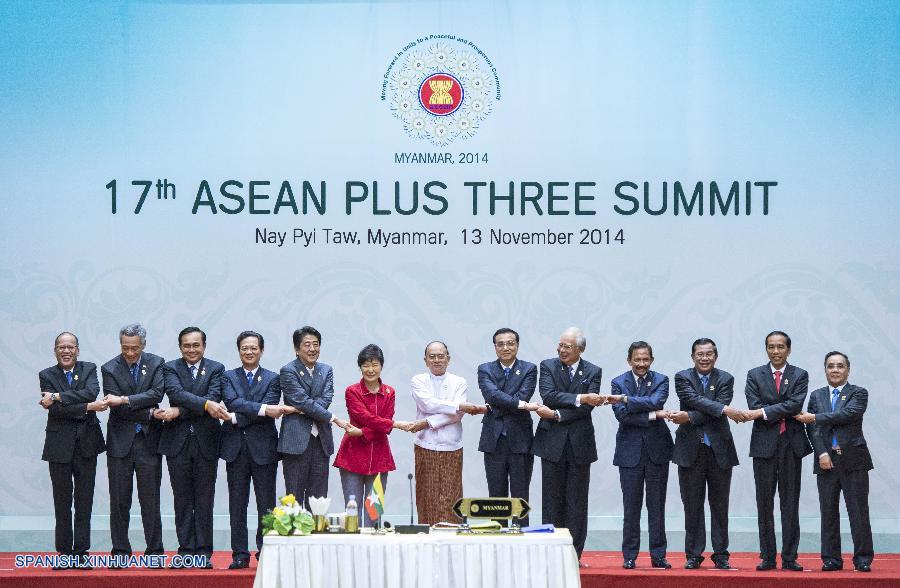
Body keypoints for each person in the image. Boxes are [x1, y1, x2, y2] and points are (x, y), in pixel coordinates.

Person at [532, 327, 608, 561]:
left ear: (580, 349)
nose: (561, 350)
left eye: (567, 346)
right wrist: (581, 397)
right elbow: (549, 395)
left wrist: (557, 414)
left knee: (577, 501)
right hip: (551, 443)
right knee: (551, 500)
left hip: (579, 443)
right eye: (560, 345)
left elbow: (587, 408)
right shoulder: (548, 366)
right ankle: (551, 553)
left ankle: (574, 554)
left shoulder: (593, 371)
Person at [795, 351, 874, 573]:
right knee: (828, 512)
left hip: (854, 460)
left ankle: (863, 559)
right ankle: (831, 559)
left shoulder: (858, 393)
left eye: (840, 366)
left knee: (858, 512)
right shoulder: (817, 395)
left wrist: (815, 417)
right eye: (831, 366)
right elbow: (812, 428)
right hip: (826, 461)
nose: (835, 370)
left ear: (848, 370)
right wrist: (821, 453)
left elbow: (848, 414)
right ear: (825, 370)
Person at [157, 326, 229, 568]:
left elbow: (214, 397)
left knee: (205, 500)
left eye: (196, 345)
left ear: (204, 346)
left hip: (206, 442)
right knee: (182, 500)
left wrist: (180, 410)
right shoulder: (170, 367)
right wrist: (205, 405)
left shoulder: (216, 368)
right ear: (180, 347)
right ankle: (186, 551)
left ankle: (203, 554)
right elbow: (176, 393)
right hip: (176, 443)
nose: (191, 349)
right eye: (186, 345)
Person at [668, 338, 741, 570]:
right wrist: (722, 409)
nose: (705, 358)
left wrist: (690, 416)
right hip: (690, 450)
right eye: (700, 354)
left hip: (719, 450)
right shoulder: (682, 377)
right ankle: (693, 554)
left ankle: (721, 555)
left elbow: (710, 408)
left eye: (709, 354)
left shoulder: (726, 378)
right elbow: (692, 399)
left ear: (715, 356)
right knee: (692, 505)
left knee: (720, 506)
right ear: (693, 357)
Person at [742, 331, 811, 571]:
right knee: (764, 504)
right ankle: (768, 557)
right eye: (771, 347)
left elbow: (795, 404)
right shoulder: (754, 375)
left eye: (780, 347)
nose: (776, 351)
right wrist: (777, 409)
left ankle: (790, 557)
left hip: (791, 445)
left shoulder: (800, 374)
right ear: (766, 349)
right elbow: (753, 405)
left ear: (788, 350)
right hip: (764, 446)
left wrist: (764, 411)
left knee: (790, 503)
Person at [39, 332, 107, 569]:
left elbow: (90, 392)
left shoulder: (89, 368)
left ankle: (81, 552)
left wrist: (57, 396)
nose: (66, 351)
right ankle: (64, 553)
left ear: (77, 350)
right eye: (61, 347)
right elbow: (56, 411)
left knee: (84, 501)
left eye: (70, 347)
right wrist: (88, 407)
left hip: (87, 444)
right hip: (59, 446)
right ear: (55, 350)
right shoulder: (46, 375)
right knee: (62, 502)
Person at [101, 323, 165, 562]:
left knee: (151, 500)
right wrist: (149, 412)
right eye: (125, 347)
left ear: (143, 345)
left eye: (134, 348)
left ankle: (155, 552)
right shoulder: (109, 368)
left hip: (149, 442)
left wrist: (125, 399)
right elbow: (116, 408)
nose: (129, 353)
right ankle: (120, 552)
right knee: (119, 501)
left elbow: (157, 394)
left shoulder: (156, 363)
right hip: (120, 443)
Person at [220, 331, 283, 569]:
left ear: (261, 350)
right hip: (235, 449)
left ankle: (265, 550)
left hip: (264, 449)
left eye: (253, 348)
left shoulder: (273, 378)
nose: (249, 352)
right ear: (239, 351)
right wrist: (262, 409)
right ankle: (239, 554)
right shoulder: (228, 377)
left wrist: (236, 418)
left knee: (266, 503)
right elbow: (232, 402)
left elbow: (269, 406)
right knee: (237, 503)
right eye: (244, 348)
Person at [610, 341, 674, 570]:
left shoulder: (661, 380)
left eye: (645, 359)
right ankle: (629, 555)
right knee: (631, 508)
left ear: (652, 360)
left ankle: (658, 555)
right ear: (629, 360)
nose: (641, 364)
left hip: (657, 452)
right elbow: (622, 416)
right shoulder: (618, 382)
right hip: (629, 453)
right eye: (637, 359)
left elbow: (657, 401)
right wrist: (655, 415)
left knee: (657, 507)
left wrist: (627, 400)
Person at [409, 341, 487, 525]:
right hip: (425, 444)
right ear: (426, 360)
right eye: (432, 356)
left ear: (448, 359)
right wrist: (458, 405)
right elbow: (427, 404)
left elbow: (457, 415)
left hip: (451, 446)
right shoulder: (418, 380)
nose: (437, 360)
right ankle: (427, 534)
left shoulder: (459, 382)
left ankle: (452, 535)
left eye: (441, 356)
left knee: (451, 494)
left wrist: (427, 422)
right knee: (426, 494)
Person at [334, 344, 412, 526]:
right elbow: (365, 417)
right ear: (360, 367)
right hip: (352, 457)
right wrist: (395, 424)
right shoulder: (352, 391)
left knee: (373, 513)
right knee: (352, 512)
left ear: (381, 366)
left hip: (379, 458)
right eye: (366, 365)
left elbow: (383, 424)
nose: (370, 370)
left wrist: (362, 431)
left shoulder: (389, 392)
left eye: (375, 364)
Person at [278, 326, 356, 509]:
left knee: (318, 499)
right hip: (296, 442)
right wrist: (333, 418)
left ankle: (316, 529)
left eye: (316, 344)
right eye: (307, 345)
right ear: (297, 349)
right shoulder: (288, 370)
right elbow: (301, 400)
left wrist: (300, 408)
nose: (312, 349)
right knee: (294, 498)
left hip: (321, 441)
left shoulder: (326, 370)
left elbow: (325, 399)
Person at [476, 328, 539, 527]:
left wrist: (497, 403)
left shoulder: (529, 369)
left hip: (520, 439)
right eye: (500, 344)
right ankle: (498, 536)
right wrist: (519, 405)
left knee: (521, 494)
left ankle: (522, 536)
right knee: (496, 495)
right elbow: (491, 395)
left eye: (510, 343)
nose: (506, 347)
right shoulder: (485, 369)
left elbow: (523, 395)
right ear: (495, 347)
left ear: (517, 345)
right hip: (493, 440)